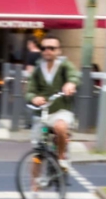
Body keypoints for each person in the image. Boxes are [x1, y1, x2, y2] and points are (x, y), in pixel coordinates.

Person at [26, 35, 80, 170]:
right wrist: (33, 98)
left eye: (52, 48)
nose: (47, 51)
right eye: (44, 48)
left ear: (59, 51)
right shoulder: (38, 68)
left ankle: (61, 157)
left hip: (61, 110)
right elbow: (29, 90)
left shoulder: (64, 65)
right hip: (42, 114)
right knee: (37, 154)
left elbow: (74, 75)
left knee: (61, 127)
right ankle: (34, 187)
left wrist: (70, 83)